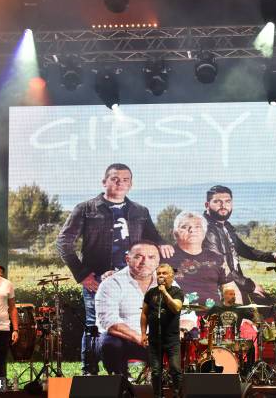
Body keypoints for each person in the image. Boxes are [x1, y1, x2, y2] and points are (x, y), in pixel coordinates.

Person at [56, 163, 173, 375]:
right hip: (100, 279)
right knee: (94, 325)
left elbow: (153, 238)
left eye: (125, 179)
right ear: (104, 182)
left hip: (134, 278)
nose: (120, 183)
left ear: (131, 184)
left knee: (133, 321)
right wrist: (82, 275)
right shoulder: (85, 209)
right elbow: (64, 242)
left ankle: (125, 371)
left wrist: (162, 243)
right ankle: (89, 373)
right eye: (114, 179)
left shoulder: (140, 210)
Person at [203, 185, 276, 304]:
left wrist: (274, 256)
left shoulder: (225, 226)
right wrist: (250, 286)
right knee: (265, 309)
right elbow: (221, 266)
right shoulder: (206, 229)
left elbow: (245, 250)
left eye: (227, 201)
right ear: (207, 205)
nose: (223, 205)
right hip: (220, 286)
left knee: (270, 305)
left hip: (235, 281)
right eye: (217, 201)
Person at [95, 241, 161, 375]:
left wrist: (180, 331)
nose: (145, 262)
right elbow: (110, 322)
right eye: (138, 257)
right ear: (127, 259)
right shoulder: (111, 284)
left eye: (151, 257)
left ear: (158, 261)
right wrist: (140, 338)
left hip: (156, 339)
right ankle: (121, 383)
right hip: (126, 339)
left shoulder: (167, 283)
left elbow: (186, 315)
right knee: (110, 343)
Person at [164, 211, 231, 307]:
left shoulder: (217, 258)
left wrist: (233, 312)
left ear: (204, 232)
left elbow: (229, 287)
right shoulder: (165, 256)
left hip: (212, 316)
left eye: (197, 226)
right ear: (175, 233)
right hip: (178, 316)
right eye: (184, 227)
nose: (192, 230)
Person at [141, 264, 184, 398]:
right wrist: (143, 333)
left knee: (176, 369)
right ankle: (158, 396)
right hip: (154, 339)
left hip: (172, 340)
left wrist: (164, 292)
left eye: (164, 273)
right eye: (159, 273)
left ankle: (177, 395)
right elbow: (144, 314)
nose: (161, 276)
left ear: (171, 276)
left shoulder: (177, 292)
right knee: (155, 371)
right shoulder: (150, 293)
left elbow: (176, 308)